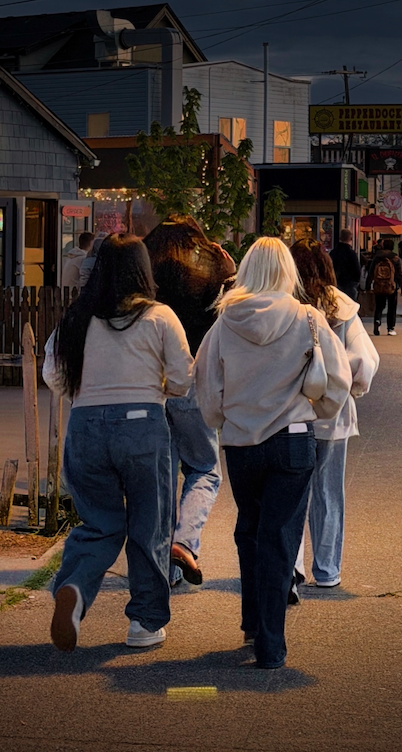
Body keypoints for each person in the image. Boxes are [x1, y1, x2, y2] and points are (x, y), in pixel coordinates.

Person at [194, 237, 351, 670]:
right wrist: (318, 411)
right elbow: (337, 381)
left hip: (242, 443)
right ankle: (270, 642)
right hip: (294, 438)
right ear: (286, 272)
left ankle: (252, 623)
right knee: (280, 537)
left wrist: (222, 420)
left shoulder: (225, 322)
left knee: (250, 529)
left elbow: (205, 385)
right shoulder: (308, 318)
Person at [43, 235, 193, 653]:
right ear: (143, 270)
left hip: (86, 426)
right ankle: (145, 623)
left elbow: (53, 376)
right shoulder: (160, 317)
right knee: (150, 525)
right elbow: (183, 380)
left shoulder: (76, 317)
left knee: (100, 524)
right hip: (142, 426)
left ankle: (73, 588)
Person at [144, 215, 236, 587]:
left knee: (162, 475)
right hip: (194, 378)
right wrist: (229, 270)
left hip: (149, 383)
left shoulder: (146, 267)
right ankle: (184, 542)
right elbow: (231, 312)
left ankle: (163, 569)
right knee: (204, 468)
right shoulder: (212, 270)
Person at [290, 239, 379, 589]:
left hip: (291, 414)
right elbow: (366, 360)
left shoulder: (286, 303)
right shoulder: (341, 307)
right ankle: (327, 570)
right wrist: (346, 387)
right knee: (328, 494)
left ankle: (291, 568)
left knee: (291, 493)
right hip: (333, 415)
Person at [365, 237, 402, 336]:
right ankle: (390, 328)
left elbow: (370, 272)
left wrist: (368, 285)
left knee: (379, 306)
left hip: (379, 285)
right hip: (392, 285)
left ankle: (377, 321)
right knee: (392, 307)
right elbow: (400, 274)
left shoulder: (377, 257)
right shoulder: (396, 258)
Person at [330, 228, 362, 301]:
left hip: (336, 282)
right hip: (349, 283)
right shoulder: (351, 253)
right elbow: (356, 269)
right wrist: (357, 281)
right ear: (350, 239)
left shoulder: (333, 252)